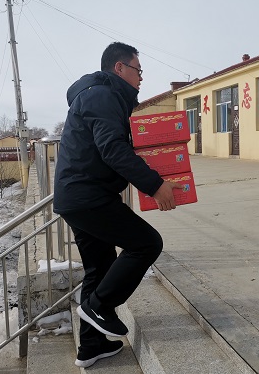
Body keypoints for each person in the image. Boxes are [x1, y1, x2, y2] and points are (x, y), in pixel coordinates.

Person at [53, 42, 182, 368]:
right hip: (88, 197)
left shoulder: (96, 96)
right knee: (147, 243)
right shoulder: (103, 96)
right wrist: (155, 185)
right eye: (138, 70)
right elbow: (112, 149)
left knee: (100, 267)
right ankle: (98, 307)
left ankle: (91, 346)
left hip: (78, 197)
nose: (141, 78)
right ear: (119, 68)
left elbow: (108, 147)